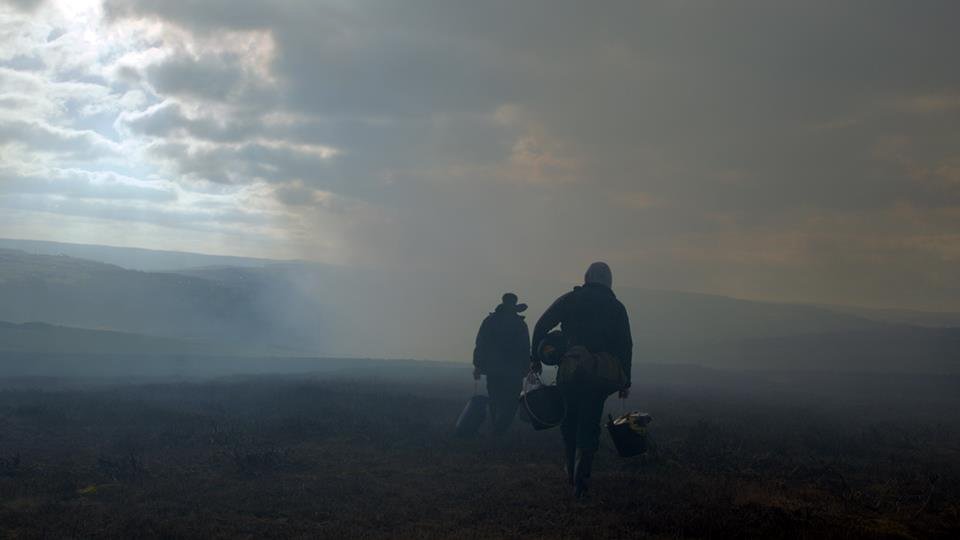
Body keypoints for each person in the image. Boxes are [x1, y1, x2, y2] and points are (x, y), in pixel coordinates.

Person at [530, 262, 633, 498]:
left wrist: (536, 356)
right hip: (599, 376)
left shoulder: (569, 299)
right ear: (609, 281)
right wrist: (625, 380)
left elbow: (541, 325)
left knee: (569, 421)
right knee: (589, 422)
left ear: (586, 278)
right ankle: (581, 480)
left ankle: (570, 472)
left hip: (570, 371)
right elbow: (626, 345)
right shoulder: (617, 307)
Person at [473, 293, 531, 435]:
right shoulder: (520, 324)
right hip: (514, 371)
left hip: (494, 369)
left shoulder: (489, 321)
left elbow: (481, 344)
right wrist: (526, 367)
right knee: (511, 402)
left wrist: (478, 365)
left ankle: (496, 428)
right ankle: (500, 429)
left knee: (495, 399)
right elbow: (525, 347)